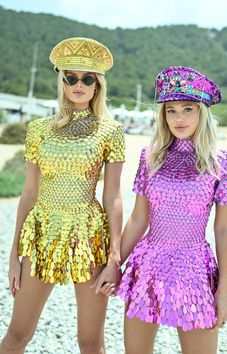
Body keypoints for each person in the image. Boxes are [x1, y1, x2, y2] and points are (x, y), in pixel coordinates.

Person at [0, 37, 125, 354]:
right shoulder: (39, 129)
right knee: (17, 335)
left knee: (91, 341)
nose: (78, 84)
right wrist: (13, 255)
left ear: (97, 85)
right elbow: (28, 195)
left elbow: (113, 197)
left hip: (89, 235)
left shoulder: (110, 131)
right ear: (62, 81)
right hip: (43, 233)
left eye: (87, 78)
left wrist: (114, 258)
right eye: (71, 77)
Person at [113, 66, 227, 354]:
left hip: (194, 269)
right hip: (147, 266)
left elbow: (225, 228)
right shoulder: (150, 156)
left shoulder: (223, 163)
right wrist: (113, 264)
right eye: (171, 110)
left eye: (187, 109)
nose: (178, 118)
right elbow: (138, 218)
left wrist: (224, 290)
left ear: (202, 112)